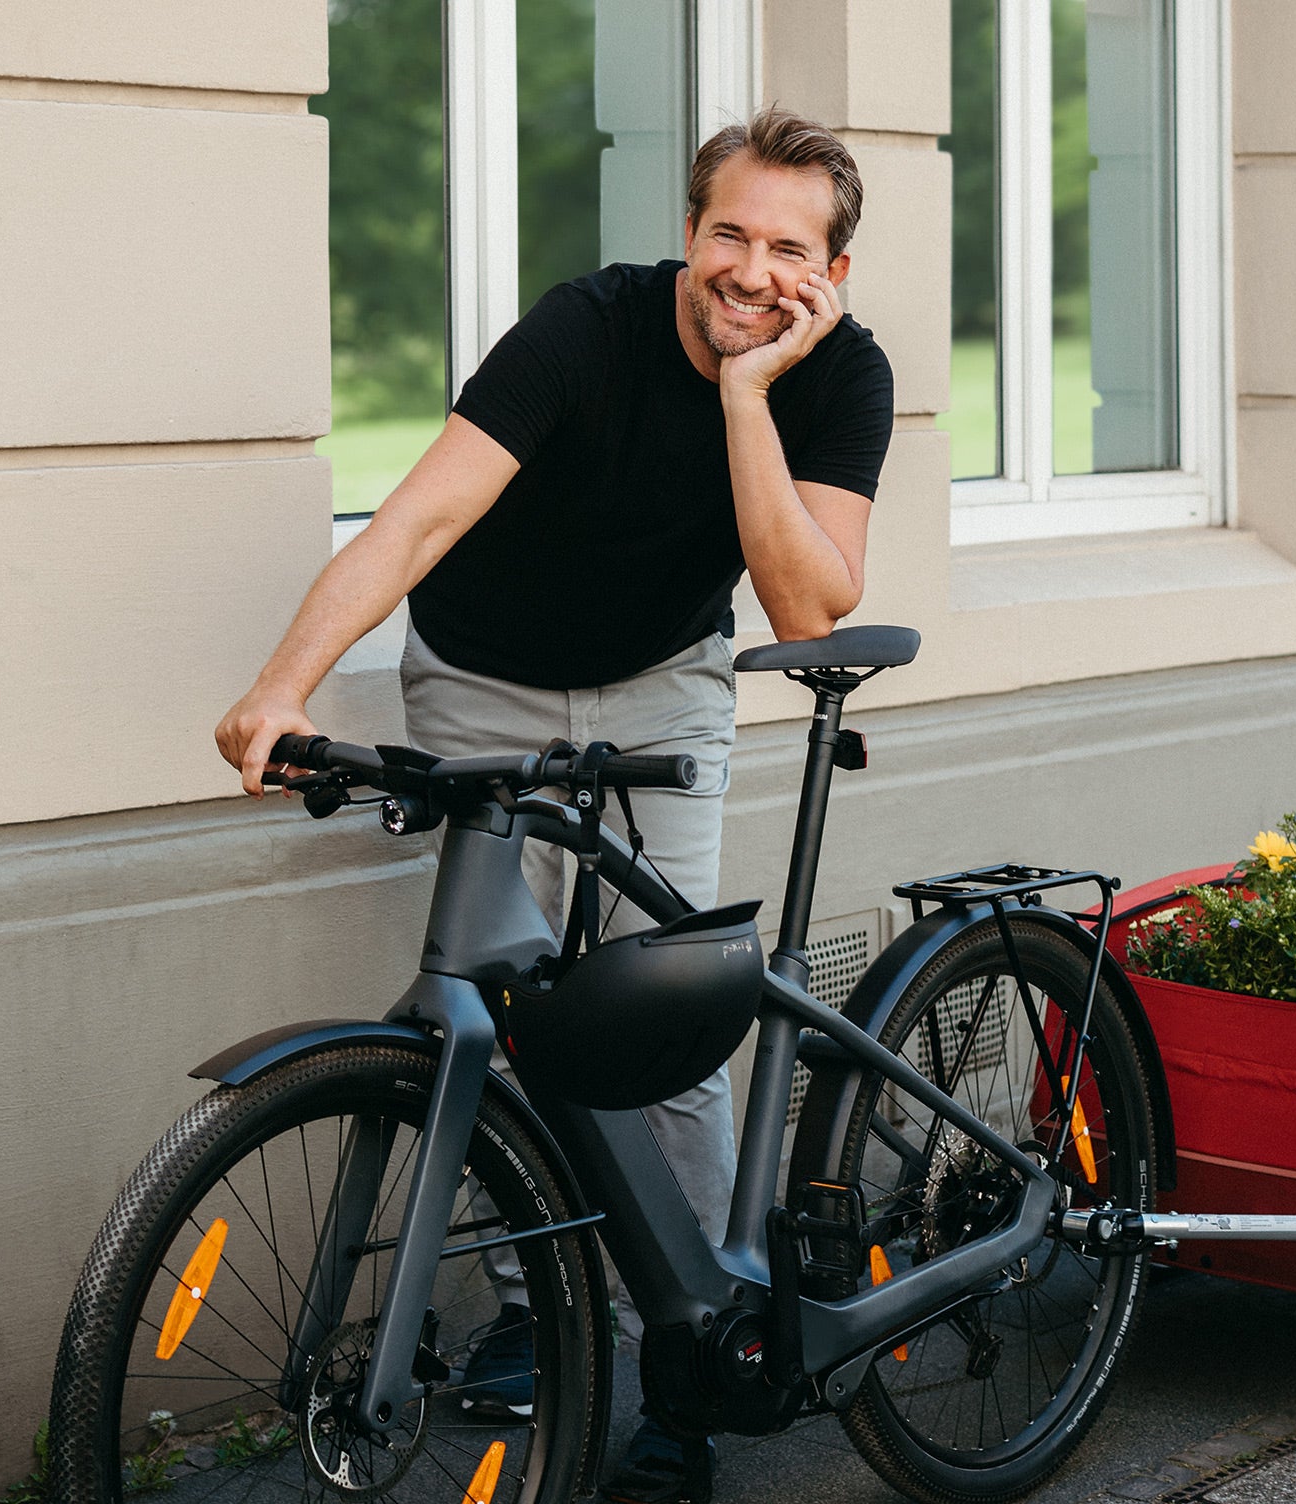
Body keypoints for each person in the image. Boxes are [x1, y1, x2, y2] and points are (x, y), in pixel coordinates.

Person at [216, 106, 894, 1504]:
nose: (750, 270)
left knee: (667, 1025)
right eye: (727, 234)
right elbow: (415, 521)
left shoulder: (841, 377)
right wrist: (283, 686)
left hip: (663, 688)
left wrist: (749, 398)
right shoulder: (584, 331)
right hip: (486, 685)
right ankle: (543, 1307)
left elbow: (807, 605)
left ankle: (689, 1354)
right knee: (508, 1013)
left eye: (788, 250)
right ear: (688, 232)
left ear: (831, 271)